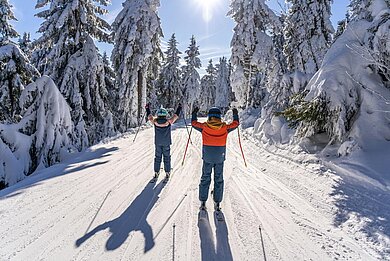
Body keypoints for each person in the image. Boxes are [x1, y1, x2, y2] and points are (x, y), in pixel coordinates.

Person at [191, 106, 239, 210]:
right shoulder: (225, 127)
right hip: (219, 158)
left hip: (207, 158)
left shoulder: (204, 127)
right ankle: (217, 202)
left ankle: (203, 201)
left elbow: (193, 123)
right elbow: (236, 124)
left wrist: (194, 113)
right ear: (219, 117)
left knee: (205, 178)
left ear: (209, 117)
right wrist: (235, 114)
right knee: (219, 179)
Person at [146, 103, 182, 181]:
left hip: (158, 143)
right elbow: (176, 116)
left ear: (158, 114)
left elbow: (149, 117)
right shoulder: (169, 122)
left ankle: (156, 172)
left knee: (157, 157)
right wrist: (179, 108)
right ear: (165, 114)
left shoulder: (155, 122)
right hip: (166, 143)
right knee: (167, 157)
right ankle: (167, 172)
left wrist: (147, 108)